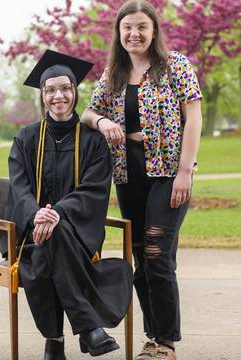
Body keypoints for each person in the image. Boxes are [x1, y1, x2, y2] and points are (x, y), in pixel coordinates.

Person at [81, 1, 203, 359]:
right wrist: (102, 122)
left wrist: (185, 171)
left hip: (168, 173)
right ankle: (154, 335)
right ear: (119, 34)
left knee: (156, 252)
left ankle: (165, 342)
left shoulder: (176, 66)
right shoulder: (113, 73)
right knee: (140, 256)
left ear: (154, 31)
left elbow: (193, 119)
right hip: (128, 174)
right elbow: (89, 111)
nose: (134, 34)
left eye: (141, 27)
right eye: (127, 28)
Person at [3, 49, 133, 359]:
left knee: (56, 236)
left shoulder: (93, 140)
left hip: (78, 235)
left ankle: (55, 342)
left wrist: (58, 213)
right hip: (32, 235)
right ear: (42, 96)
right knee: (49, 240)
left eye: (65, 88)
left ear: (75, 92)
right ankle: (89, 329)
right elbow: (19, 189)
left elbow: (93, 191)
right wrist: (38, 216)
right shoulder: (26, 138)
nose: (58, 96)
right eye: (50, 90)